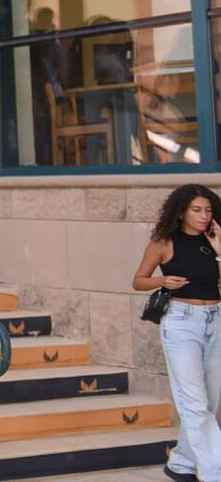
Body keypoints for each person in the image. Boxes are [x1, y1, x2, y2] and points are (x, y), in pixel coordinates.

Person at [132, 184, 221, 482]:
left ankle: (181, 463)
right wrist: (163, 280)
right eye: (197, 210)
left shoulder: (216, 239)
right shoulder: (164, 242)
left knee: (208, 402)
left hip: (216, 319)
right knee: (194, 404)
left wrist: (220, 250)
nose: (203, 215)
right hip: (181, 322)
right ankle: (214, 473)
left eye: (208, 210)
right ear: (181, 211)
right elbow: (138, 281)